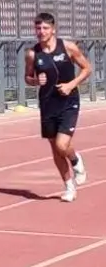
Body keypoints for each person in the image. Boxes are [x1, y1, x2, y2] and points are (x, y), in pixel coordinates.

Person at [24, 12, 90, 202]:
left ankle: (76, 160)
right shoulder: (32, 53)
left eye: (45, 28)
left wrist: (71, 85)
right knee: (55, 148)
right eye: (38, 28)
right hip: (47, 103)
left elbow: (87, 68)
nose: (41, 32)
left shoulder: (67, 47)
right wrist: (35, 80)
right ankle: (69, 186)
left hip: (69, 102)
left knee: (62, 144)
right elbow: (27, 78)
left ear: (53, 29)